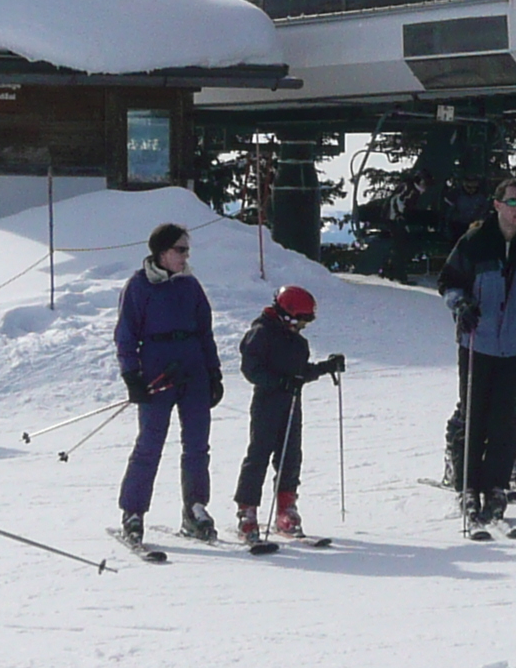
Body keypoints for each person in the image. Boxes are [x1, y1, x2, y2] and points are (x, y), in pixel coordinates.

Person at [439, 180, 516, 526]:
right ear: (497, 205)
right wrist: (460, 303)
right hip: (478, 339)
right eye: (512, 202)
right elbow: (449, 281)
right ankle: (468, 484)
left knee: (505, 416)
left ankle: (494, 484)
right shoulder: (476, 242)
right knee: (474, 413)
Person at [115, 221, 225, 542]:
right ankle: (133, 511)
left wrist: (214, 372)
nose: (185, 256)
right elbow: (125, 335)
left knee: (197, 445)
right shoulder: (138, 287)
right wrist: (131, 375)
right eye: (180, 249)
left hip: (193, 370)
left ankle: (195, 508)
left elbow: (205, 331)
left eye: (187, 249)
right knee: (149, 444)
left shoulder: (190, 286)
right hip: (156, 371)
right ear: (161, 253)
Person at [233, 285, 344, 541]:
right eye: (300, 320)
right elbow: (251, 369)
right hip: (266, 402)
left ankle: (286, 507)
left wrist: (326, 367)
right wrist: (280, 382)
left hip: (292, 404)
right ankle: (246, 511)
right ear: (287, 314)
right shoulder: (260, 333)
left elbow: (299, 373)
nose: (302, 326)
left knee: (291, 454)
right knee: (259, 453)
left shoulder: (297, 342)